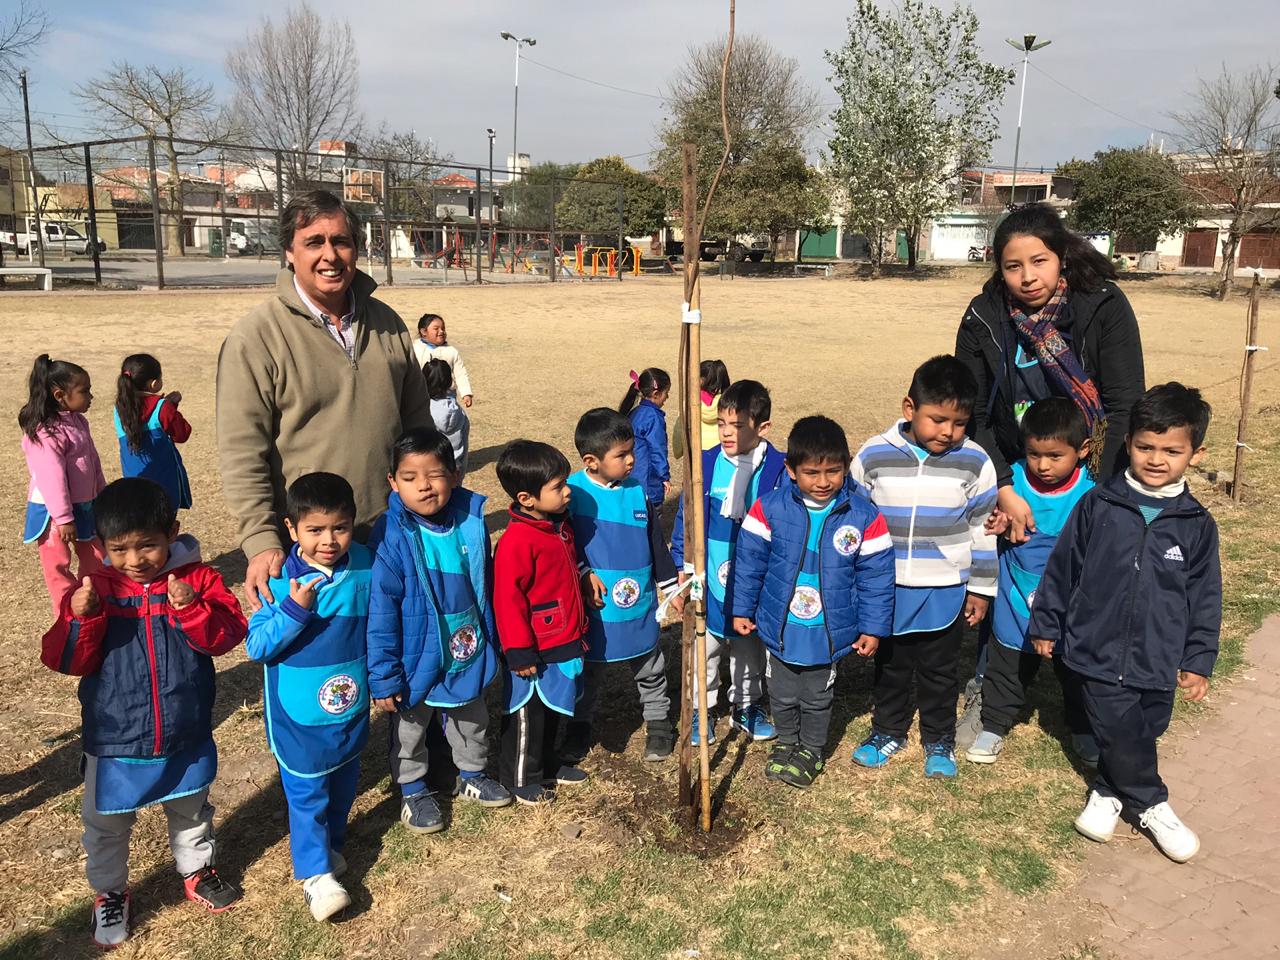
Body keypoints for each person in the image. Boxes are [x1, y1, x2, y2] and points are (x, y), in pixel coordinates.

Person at [40, 478, 247, 948]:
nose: (135, 560)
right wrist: (81, 618)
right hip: (115, 733)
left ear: (172, 532)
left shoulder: (198, 580)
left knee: (191, 806)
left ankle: (197, 870)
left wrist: (191, 609)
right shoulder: (93, 589)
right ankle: (109, 892)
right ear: (100, 546)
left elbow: (229, 634)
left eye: (148, 546)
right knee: (106, 822)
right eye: (120, 549)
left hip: (183, 725)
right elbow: (63, 660)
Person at [1029, 383, 1220, 863]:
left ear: (1195, 455)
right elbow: (1063, 567)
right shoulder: (1099, 504)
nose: (1157, 459)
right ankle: (1152, 803)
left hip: (1159, 656)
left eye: (1172, 451)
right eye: (1145, 447)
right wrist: (1048, 624)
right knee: (1117, 723)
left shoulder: (1197, 525)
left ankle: (1107, 792)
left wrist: (1198, 658)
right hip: (1094, 647)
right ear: (1128, 443)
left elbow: (1204, 598)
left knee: (1143, 728)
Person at [217, 190, 432, 613]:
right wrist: (261, 540)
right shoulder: (256, 337)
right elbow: (243, 452)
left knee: (394, 665)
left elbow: (418, 426)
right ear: (289, 253)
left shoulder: (387, 322)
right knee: (332, 674)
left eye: (341, 241)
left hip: (393, 534)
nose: (330, 255)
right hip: (314, 551)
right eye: (314, 242)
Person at [850, 355, 998, 779]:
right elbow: (855, 517)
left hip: (945, 587)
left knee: (939, 670)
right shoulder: (875, 455)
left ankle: (939, 739)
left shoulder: (974, 462)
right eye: (937, 420)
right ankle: (887, 731)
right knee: (892, 665)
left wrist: (981, 589)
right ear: (909, 409)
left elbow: (982, 530)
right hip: (887, 586)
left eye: (959, 422)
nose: (948, 432)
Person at [732, 416, 895, 788]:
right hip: (782, 624)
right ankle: (787, 742)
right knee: (782, 690)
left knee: (817, 695)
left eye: (833, 471)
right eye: (811, 473)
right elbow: (750, 562)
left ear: (845, 467)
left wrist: (872, 627)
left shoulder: (864, 516)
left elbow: (876, 578)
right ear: (790, 470)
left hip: (827, 629)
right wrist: (742, 608)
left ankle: (812, 748)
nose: (823, 482)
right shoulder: (768, 509)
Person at [367, 428, 510, 834]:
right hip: (417, 655)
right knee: (411, 727)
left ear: (456, 473)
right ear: (393, 482)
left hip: (466, 643)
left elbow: (484, 583)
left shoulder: (470, 519)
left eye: (435, 474)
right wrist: (384, 676)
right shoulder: (391, 536)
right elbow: (381, 613)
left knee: (472, 714)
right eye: (410, 478)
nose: (424, 487)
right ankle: (413, 790)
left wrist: (493, 639)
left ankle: (472, 774)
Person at [245, 473, 370, 922]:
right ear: (292, 529)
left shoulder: (366, 567)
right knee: (307, 790)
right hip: (299, 715)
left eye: (340, 528)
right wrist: (295, 610)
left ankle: (333, 845)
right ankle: (315, 877)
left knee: (344, 781)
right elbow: (257, 646)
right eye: (315, 530)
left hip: (350, 704)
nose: (329, 541)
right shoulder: (277, 581)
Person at [964, 398, 1097, 766]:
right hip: (1016, 597)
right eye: (1034, 454)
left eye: (1055, 456)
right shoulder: (1014, 482)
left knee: (1075, 670)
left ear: (1082, 450)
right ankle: (993, 725)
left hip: (1068, 603)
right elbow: (989, 524)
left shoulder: (1090, 493)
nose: (1042, 465)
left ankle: (1084, 728)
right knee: (1006, 664)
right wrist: (998, 525)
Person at [562, 409, 681, 764]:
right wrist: (583, 572)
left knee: (650, 666)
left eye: (632, 451)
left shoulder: (637, 492)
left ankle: (659, 722)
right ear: (591, 461)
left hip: (638, 605)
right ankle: (578, 726)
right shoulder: (573, 494)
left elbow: (655, 543)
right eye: (622, 455)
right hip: (597, 610)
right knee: (590, 671)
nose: (631, 460)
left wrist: (671, 587)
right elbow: (564, 544)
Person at [671, 379, 786, 744]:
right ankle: (699, 709)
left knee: (749, 647)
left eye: (736, 426)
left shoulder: (778, 469)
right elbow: (685, 518)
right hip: (710, 571)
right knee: (704, 645)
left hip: (755, 574)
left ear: (762, 427)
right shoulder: (705, 463)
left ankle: (747, 705)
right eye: (721, 423)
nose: (726, 432)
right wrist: (683, 566)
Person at [493, 440, 590, 804]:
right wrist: (518, 651)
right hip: (532, 644)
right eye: (558, 487)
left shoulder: (557, 527)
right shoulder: (517, 541)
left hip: (560, 637)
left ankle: (548, 764)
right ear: (526, 498)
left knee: (552, 707)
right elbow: (507, 599)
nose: (567, 492)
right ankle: (520, 776)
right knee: (526, 714)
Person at [20, 354, 106, 618]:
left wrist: (103, 498)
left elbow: (93, 463)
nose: (91, 396)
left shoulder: (79, 422)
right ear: (59, 395)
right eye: (85, 391)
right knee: (58, 565)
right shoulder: (45, 432)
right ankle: (66, 615)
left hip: (85, 506)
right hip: (54, 514)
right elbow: (51, 477)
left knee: (96, 558)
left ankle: (94, 603)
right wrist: (64, 518)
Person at [114, 353, 193, 510]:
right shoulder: (163, 408)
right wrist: (171, 407)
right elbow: (182, 434)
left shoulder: (120, 408)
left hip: (133, 480)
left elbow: (142, 412)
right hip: (162, 483)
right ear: (154, 383)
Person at [618, 367, 673, 508]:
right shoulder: (653, 417)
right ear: (656, 393)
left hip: (631, 477)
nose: (667, 397)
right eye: (666, 393)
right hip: (648, 481)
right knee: (650, 517)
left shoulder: (635, 412)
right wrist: (664, 476)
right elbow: (657, 449)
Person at [672, 359, 730, 459]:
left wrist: (678, 451)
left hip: (696, 450)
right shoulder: (728, 403)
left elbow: (679, 427)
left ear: (701, 380)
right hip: (722, 451)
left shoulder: (691, 402)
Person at [413, 313, 473, 408]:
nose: (441, 331)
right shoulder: (414, 349)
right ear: (424, 331)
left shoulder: (451, 351)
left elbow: (460, 373)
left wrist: (466, 393)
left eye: (443, 328)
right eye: (436, 329)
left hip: (446, 397)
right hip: (420, 396)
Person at [424, 357, 470, 479]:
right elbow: (463, 446)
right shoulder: (460, 413)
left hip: (429, 472)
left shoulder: (422, 412)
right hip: (454, 472)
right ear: (449, 381)